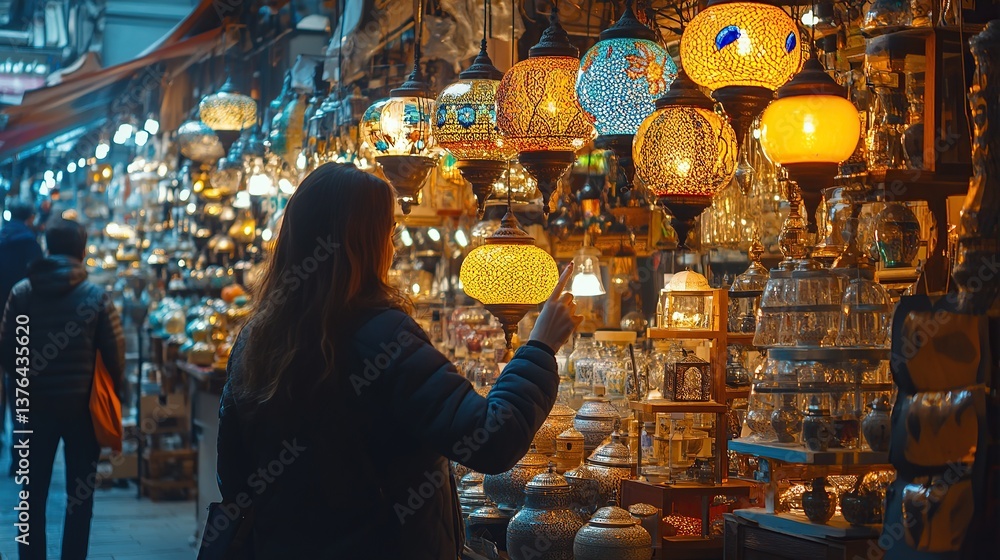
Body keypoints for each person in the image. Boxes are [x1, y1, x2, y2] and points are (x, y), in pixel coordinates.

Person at [216, 163, 580, 559]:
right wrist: (540, 347)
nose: (393, 247)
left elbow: (234, 477)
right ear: (366, 243)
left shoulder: (257, 339)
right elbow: (491, 438)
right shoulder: (383, 338)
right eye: (388, 233)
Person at [0, 217, 125, 560]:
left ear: (48, 248)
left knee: (31, 495)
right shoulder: (95, 296)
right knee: (80, 497)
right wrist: (120, 394)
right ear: (82, 250)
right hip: (82, 411)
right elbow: (114, 355)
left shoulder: (22, 293)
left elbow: (8, 352)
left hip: (33, 412)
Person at [0, 200, 42, 465]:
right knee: (19, 389)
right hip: (21, 324)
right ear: (29, 219)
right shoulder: (31, 245)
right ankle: (19, 453)